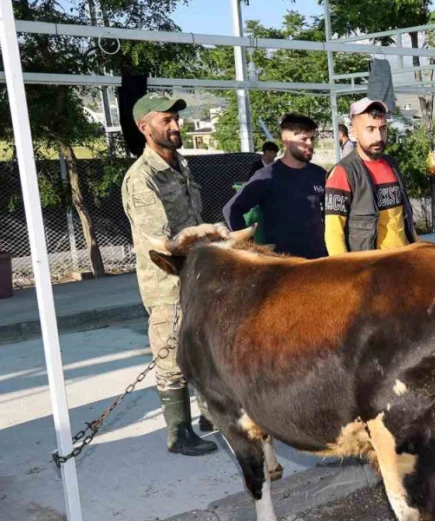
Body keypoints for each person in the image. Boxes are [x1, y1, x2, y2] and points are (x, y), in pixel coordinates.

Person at [121, 94, 217, 456]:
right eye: (166, 120)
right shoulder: (142, 178)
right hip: (167, 283)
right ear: (144, 127)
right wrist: (214, 235)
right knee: (171, 354)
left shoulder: (180, 164)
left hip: (196, 276)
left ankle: (211, 416)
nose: (176, 126)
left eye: (177, 118)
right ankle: (179, 433)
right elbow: (164, 241)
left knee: (204, 349)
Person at [223, 114, 327, 259]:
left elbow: (330, 214)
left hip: (318, 259)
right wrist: (248, 246)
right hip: (283, 263)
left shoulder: (319, 174)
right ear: (286, 142)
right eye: (303, 139)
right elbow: (232, 209)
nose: (309, 143)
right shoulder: (268, 175)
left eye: (312, 138)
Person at [323, 98, 417, 254]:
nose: (379, 137)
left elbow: (404, 220)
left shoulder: (392, 165)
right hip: (370, 270)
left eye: (383, 128)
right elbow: (334, 233)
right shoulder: (343, 172)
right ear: (353, 132)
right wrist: (347, 275)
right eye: (370, 129)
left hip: (402, 265)